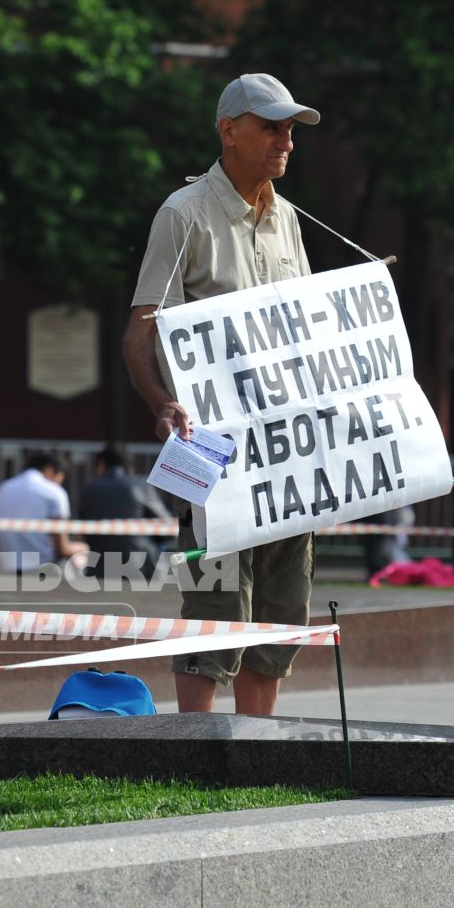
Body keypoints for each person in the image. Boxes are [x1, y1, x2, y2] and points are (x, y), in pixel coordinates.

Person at [120, 71, 321, 716]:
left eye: (289, 130)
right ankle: (199, 753)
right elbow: (138, 334)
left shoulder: (288, 218)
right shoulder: (183, 215)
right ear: (228, 131)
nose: (284, 141)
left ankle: (258, 750)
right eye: (270, 127)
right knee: (214, 604)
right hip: (209, 445)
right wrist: (161, 403)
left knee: (284, 608)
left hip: (285, 447)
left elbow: (307, 331)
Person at [78, 447, 177, 580]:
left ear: (101, 463)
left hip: (99, 569)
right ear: (129, 465)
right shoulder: (140, 485)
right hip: (143, 567)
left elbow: (84, 531)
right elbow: (167, 528)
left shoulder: (87, 490)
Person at [0, 450, 87, 569]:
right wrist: (82, 547)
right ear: (50, 469)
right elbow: (62, 548)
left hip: (5, 566)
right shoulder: (54, 492)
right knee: (82, 554)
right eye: (59, 478)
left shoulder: (4, 488)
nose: (58, 483)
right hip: (42, 568)